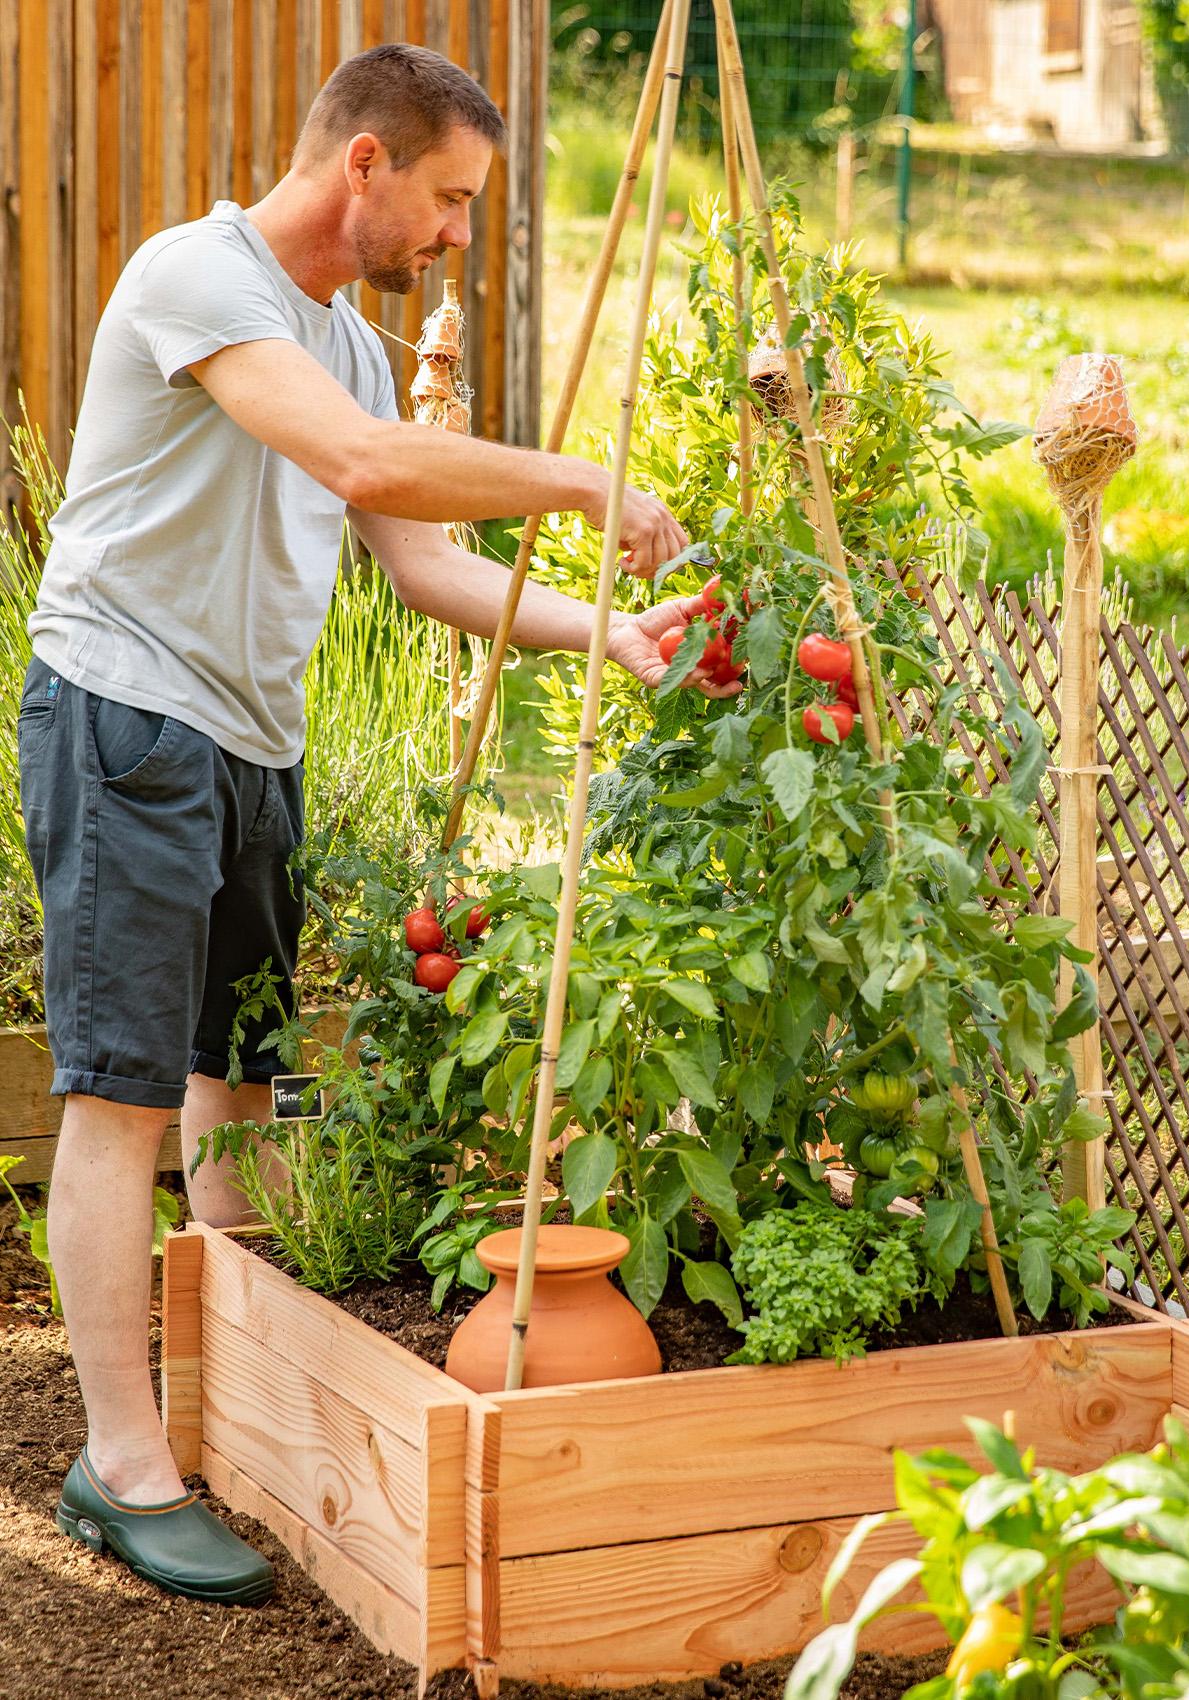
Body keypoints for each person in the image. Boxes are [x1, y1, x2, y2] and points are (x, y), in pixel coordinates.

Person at [18, 42, 730, 1606]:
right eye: (452, 199)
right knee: (120, 1096)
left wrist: (599, 632)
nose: (459, 237)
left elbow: (419, 564)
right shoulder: (196, 280)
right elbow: (362, 460)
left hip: (248, 742)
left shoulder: (339, 341)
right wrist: (576, 476)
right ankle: (121, 1462)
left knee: (235, 1082)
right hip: (129, 720)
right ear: (366, 167)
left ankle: (235, 1379)